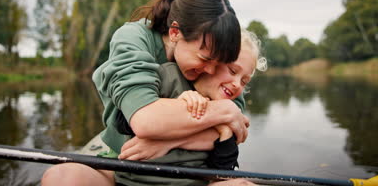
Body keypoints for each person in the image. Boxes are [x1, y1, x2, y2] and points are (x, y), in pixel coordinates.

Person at [42, 0, 252, 186]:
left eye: (220, 63)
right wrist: (223, 110)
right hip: (124, 165)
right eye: (204, 59)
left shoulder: (219, 52)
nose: (211, 70)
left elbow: (234, 129)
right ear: (175, 32)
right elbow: (144, 119)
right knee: (61, 178)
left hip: (196, 174)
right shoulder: (134, 38)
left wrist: (164, 142)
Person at [114, 29, 267, 185]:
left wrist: (225, 131)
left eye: (244, 82)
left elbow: (224, 170)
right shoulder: (168, 76)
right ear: (214, 60)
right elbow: (122, 121)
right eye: (233, 71)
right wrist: (180, 107)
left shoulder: (229, 113)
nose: (237, 84)